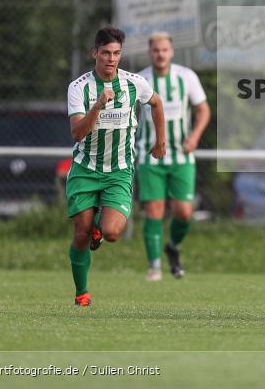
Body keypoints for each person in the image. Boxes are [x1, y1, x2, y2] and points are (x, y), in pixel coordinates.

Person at [66, 27, 165, 306]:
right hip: (85, 168)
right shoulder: (79, 87)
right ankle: (81, 292)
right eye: (106, 53)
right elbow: (77, 133)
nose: (111, 58)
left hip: (119, 171)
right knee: (81, 233)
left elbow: (156, 104)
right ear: (94, 53)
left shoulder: (134, 83)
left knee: (111, 232)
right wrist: (98, 105)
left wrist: (161, 141)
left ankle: (100, 227)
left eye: (116, 54)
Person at [137, 32, 210, 281]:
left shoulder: (186, 77)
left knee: (184, 212)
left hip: (181, 156)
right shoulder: (141, 80)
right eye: (156, 50)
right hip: (150, 156)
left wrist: (195, 137)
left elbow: (203, 110)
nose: (160, 54)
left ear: (171, 51)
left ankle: (172, 246)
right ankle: (154, 266)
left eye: (165, 50)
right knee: (154, 210)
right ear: (150, 52)